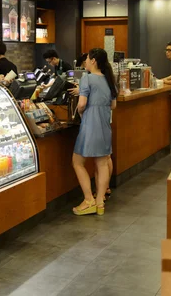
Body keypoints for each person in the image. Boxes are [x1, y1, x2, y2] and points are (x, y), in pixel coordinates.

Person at [71, 48, 117, 216]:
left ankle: (88, 199)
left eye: (88, 58)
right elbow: (113, 106)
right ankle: (100, 203)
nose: (86, 62)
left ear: (94, 61)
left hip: (90, 124)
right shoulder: (109, 80)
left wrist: (81, 112)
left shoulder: (87, 78)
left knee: (77, 162)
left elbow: (82, 104)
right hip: (105, 125)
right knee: (102, 163)